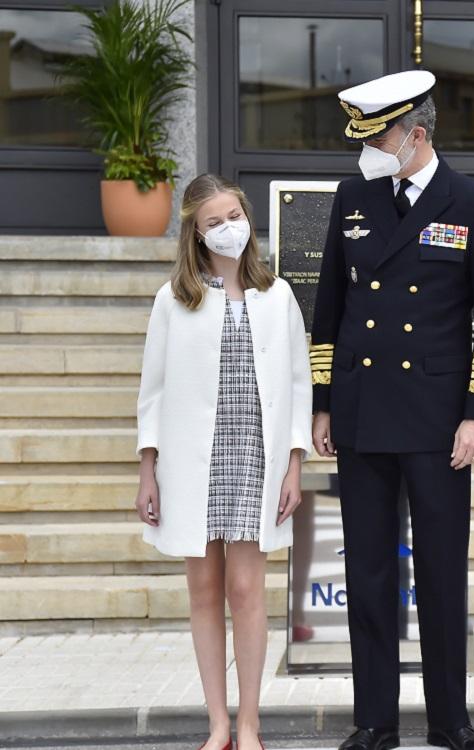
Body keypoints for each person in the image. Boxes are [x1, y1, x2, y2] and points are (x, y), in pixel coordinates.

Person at [310, 70, 474, 750]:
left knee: (440, 571)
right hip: (364, 411)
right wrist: (323, 404)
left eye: (379, 138)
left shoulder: (473, 202)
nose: (366, 152)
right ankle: (374, 720)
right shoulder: (354, 197)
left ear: (416, 134)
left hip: (437, 419)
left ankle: (449, 720)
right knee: (368, 570)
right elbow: (329, 310)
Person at [135, 173, 313, 750]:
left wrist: (294, 463)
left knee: (247, 590)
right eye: (214, 222)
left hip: (255, 460)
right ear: (194, 231)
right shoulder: (174, 299)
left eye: (234, 216)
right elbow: (153, 391)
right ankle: (217, 723)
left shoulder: (277, 294)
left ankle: (251, 722)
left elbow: (297, 382)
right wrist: (147, 470)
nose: (228, 228)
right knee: (204, 590)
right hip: (193, 462)